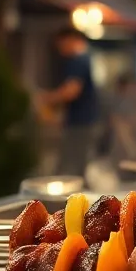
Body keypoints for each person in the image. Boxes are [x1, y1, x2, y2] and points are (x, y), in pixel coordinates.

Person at [42, 28, 99, 178]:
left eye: (61, 45)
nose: (60, 50)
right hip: (85, 120)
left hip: (79, 122)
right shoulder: (86, 57)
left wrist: (47, 98)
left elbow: (71, 91)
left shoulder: (78, 60)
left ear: (69, 40)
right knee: (78, 165)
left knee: (70, 167)